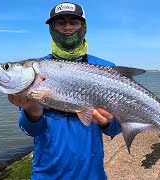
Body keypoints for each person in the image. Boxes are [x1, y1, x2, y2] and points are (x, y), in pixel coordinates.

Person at [8, 2, 122, 179]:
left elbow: (115, 130)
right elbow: (30, 130)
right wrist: (32, 113)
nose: (67, 27)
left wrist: (107, 122)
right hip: (46, 174)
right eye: (60, 22)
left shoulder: (106, 69)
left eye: (74, 22)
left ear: (83, 27)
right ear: (52, 29)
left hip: (92, 174)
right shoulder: (34, 71)